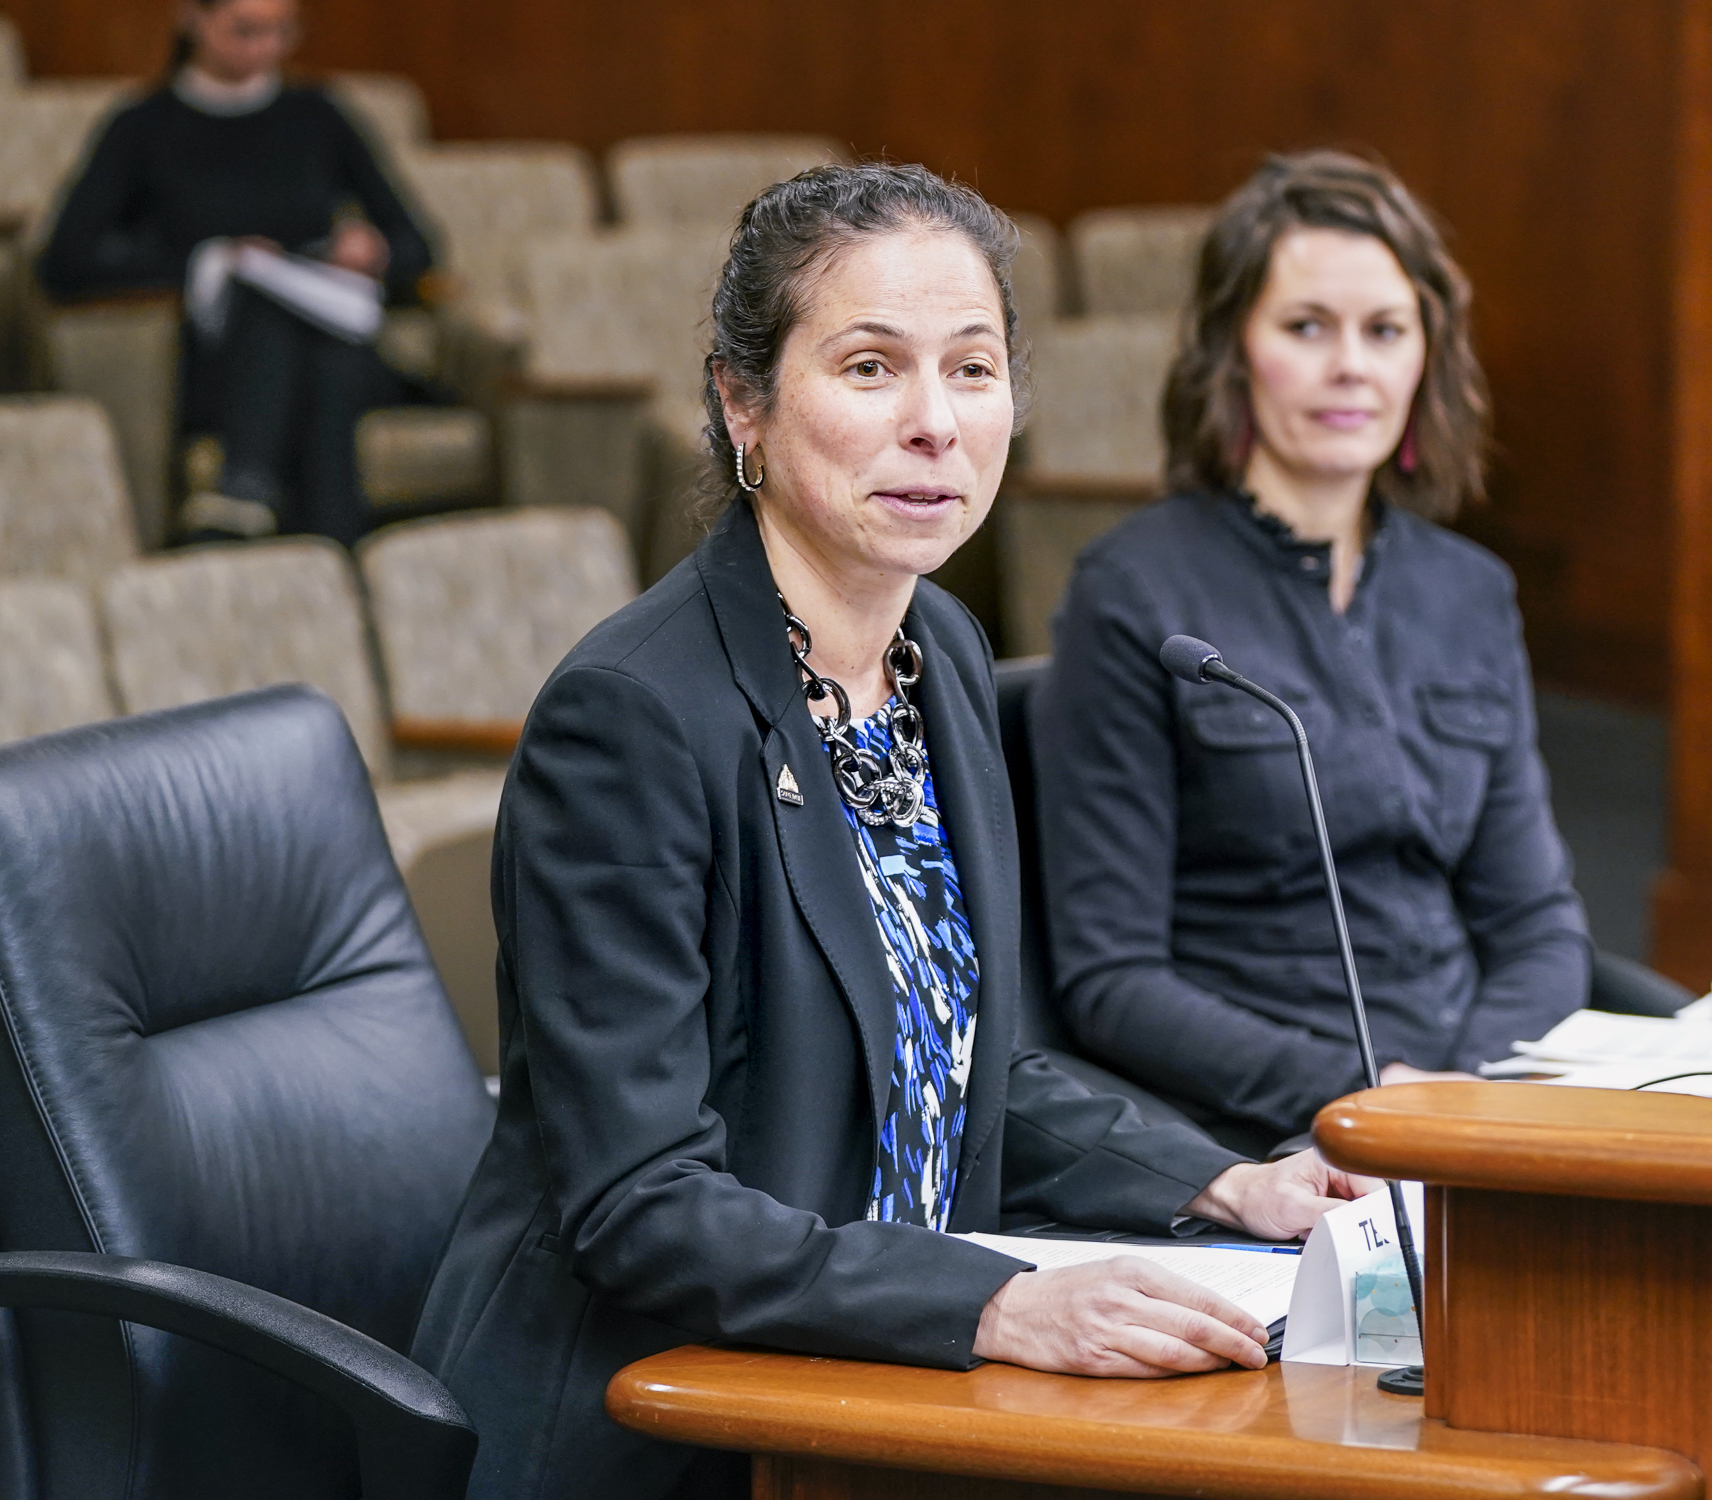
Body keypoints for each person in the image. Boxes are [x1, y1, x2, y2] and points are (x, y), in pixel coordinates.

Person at [410, 162, 1377, 1500]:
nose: (936, 425)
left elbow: (963, 1061)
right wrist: (991, 1304)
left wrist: (1223, 1183)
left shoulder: (942, 653)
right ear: (740, 401)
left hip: (876, 1390)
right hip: (658, 1415)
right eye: (871, 369)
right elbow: (639, 1205)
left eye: (972, 371)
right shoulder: (630, 719)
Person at [1032, 151, 1590, 1159]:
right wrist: (1373, 1092)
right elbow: (1112, 982)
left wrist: (1468, 1093)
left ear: (1428, 355)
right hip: (1269, 1135)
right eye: (1306, 328)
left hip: (1481, 1115)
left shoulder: (1471, 592)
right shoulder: (1135, 593)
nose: (1352, 368)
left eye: (1385, 331)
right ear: (1232, 351)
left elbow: (1538, 925)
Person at [36, 0, 433, 546]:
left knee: (323, 359)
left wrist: (372, 250)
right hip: (221, 361)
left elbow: (420, 246)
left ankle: (244, 493)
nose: (265, 49)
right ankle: (341, 561)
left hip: (337, 329)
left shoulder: (318, 115)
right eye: (245, 31)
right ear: (191, 19)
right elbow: (63, 261)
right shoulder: (143, 126)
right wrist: (211, 261)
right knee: (295, 340)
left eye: (281, 32)